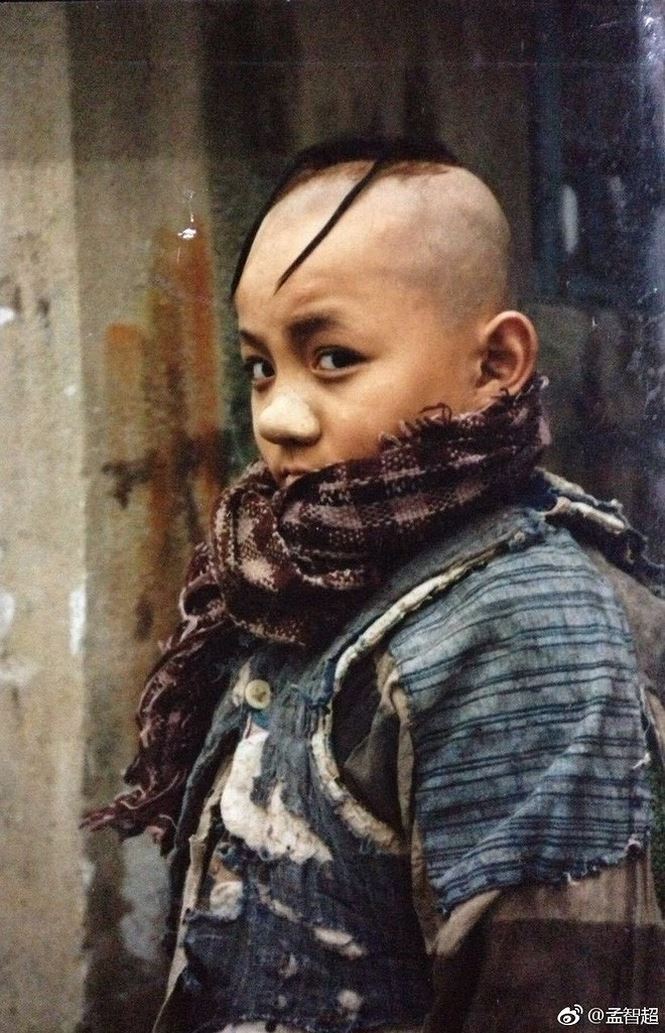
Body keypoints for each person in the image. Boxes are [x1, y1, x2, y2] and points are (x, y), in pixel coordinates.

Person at [84, 137, 665, 1033]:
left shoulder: (523, 626)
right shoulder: (300, 572)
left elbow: (568, 1006)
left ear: (496, 364)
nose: (278, 416)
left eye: (332, 358)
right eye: (260, 366)